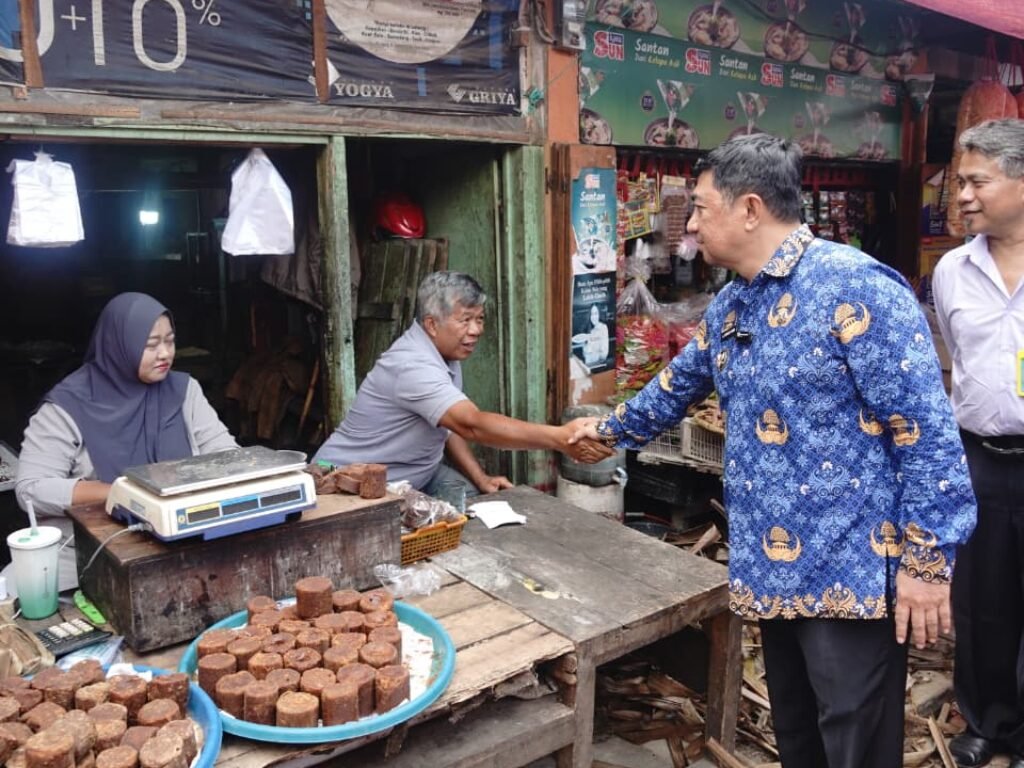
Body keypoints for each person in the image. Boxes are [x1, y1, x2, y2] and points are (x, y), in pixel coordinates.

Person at [571, 134, 976, 768]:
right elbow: (675, 389)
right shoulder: (735, 302)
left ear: (751, 208)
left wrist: (927, 566)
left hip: (853, 566)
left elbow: (925, 433)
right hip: (771, 563)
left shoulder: (857, 288)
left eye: (702, 208)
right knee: (798, 728)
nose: (693, 223)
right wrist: (600, 434)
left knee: (854, 739)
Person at [13, 292, 237, 591]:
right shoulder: (69, 405)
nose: (165, 354)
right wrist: (124, 493)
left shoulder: (184, 392)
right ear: (117, 346)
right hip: (87, 557)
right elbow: (31, 489)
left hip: (184, 547)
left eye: (169, 341)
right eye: (150, 345)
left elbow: (228, 457)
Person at [315, 271, 611, 496]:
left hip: (419, 475)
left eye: (480, 319)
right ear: (432, 324)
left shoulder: (448, 355)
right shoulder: (412, 365)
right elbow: (471, 425)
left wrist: (480, 479)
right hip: (352, 482)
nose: (476, 330)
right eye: (465, 320)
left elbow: (449, 425)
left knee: (476, 509)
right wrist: (560, 438)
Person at [932, 118, 1024, 768]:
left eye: (976, 180)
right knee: (981, 603)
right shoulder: (951, 271)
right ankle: (987, 722)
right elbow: (953, 365)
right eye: (959, 181)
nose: (961, 194)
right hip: (980, 459)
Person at [575, 303, 610, 368]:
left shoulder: (603, 327)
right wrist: (587, 350)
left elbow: (604, 353)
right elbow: (584, 353)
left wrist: (592, 352)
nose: (593, 317)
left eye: (596, 313)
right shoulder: (588, 329)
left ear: (599, 314)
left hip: (599, 367)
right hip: (588, 366)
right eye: (592, 314)